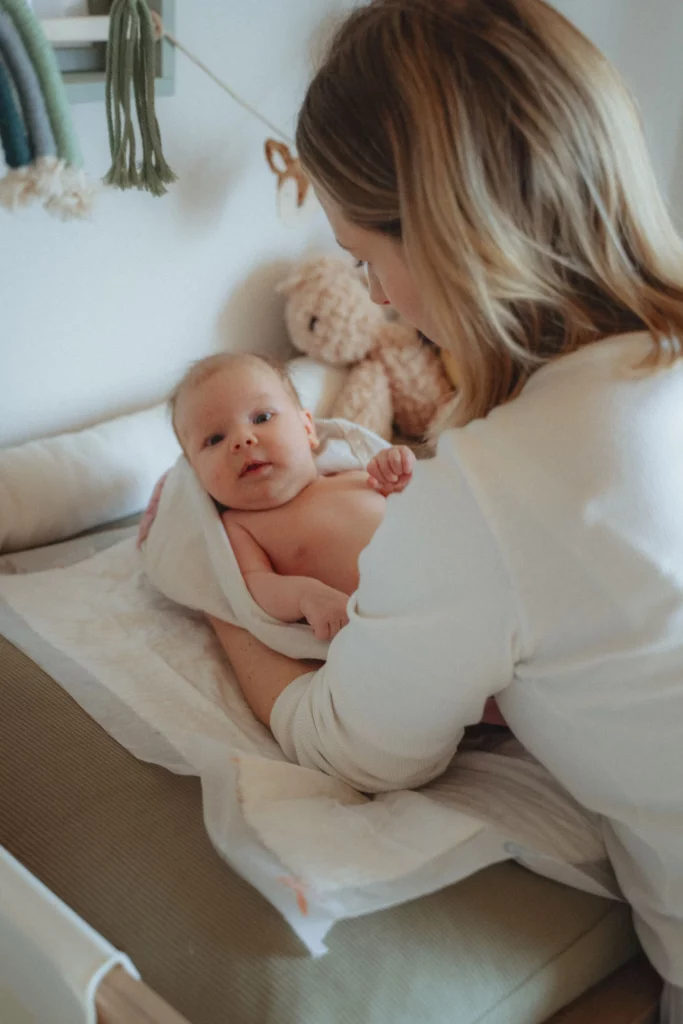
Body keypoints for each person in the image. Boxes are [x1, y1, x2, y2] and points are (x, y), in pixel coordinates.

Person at [208, 1, 683, 1016]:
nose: (377, 301)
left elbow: (353, 743)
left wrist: (222, 613)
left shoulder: (492, 484)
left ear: (442, 239)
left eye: (369, 261)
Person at [170, 351, 416, 640]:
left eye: (261, 417)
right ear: (196, 474)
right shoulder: (241, 526)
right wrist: (306, 597)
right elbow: (257, 586)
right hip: (390, 625)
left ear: (308, 428)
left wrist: (397, 473)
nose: (242, 439)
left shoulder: (352, 476)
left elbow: (420, 504)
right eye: (214, 439)